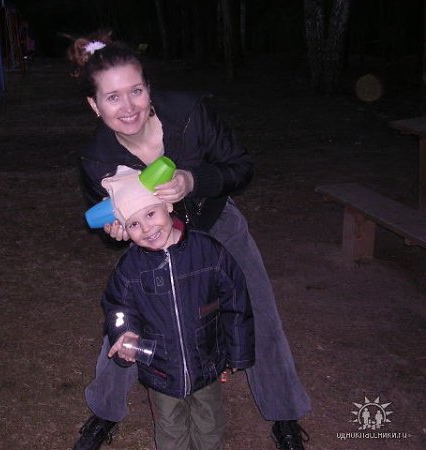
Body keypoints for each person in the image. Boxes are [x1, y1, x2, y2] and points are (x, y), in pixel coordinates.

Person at [68, 32, 311, 450]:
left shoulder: (190, 114)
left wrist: (194, 180)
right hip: (153, 242)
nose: (128, 107)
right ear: (94, 105)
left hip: (217, 225)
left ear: (149, 88)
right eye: (113, 97)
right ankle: (105, 412)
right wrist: (117, 233)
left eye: (136, 91)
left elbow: (241, 167)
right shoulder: (97, 160)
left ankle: (284, 413)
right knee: (129, 324)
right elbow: (104, 221)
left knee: (259, 312)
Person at [97, 164, 255, 449]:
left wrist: (238, 352)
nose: (147, 228)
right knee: (170, 430)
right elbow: (118, 307)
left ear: (167, 206)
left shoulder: (208, 252)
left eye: (150, 214)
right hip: (161, 369)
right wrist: (125, 332)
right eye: (133, 224)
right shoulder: (130, 268)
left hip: (207, 361)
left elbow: (235, 301)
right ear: (124, 230)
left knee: (209, 424)